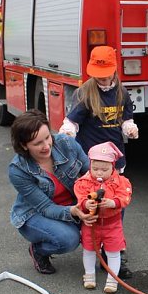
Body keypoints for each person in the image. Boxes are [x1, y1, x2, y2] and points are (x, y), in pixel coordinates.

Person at [59, 45, 139, 278]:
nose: (102, 79)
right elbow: (72, 122)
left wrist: (130, 128)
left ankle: (114, 251)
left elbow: (126, 118)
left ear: (115, 71)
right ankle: (93, 247)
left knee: (115, 205)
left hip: (115, 158)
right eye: (98, 75)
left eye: (106, 75)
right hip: (91, 161)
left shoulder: (122, 92)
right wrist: (67, 132)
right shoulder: (85, 93)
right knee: (91, 203)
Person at [9, 110, 97, 275]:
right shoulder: (18, 170)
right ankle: (39, 250)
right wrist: (75, 212)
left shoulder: (67, 144)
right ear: (23, 145)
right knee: (68, 239)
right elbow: (46, 207)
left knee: (113, 201)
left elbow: (93, 174)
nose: (46, 146)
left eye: (47, 137)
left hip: (71, 204)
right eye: (37, 143)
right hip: (35, 213)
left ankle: (110, 251)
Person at [73, 142, 133, 294]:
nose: (99, 173)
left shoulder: (121, 181)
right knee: (89, 250)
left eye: (104, 169)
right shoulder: (83, 182)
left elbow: (125, 197)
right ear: (90, 165)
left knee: (113, 252)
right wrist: (87, 204)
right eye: (95, 168)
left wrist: (113, 202)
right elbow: (80, 199)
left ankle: (112, 279)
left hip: (112, 225)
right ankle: (89, 275)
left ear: (113, 166)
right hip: (91, 224)